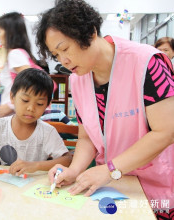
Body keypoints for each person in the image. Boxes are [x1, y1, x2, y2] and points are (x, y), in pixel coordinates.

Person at [35, 0, 174, 218]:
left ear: (90, 33)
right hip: (109, 188)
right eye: (56, 55)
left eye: (64, 49)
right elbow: (87, 138)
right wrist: (74, 170)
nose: (64, 60)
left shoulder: (147, 62)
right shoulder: (79, 80)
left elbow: (166, 131)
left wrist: (110, 169)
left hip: (152, 189)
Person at [0, 68, 72, 174]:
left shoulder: (47, 132)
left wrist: (36, 166)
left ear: (47, 105)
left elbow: (67, 159)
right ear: (12, 97)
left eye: (39, 104)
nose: (31, 108)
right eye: (25, 100)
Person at [0, 12, 39, 118]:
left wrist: (11, 106)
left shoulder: (15, 54)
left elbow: (33, 83)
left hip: (12, 115)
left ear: (10, 32)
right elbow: (12, 85)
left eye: (0, 32)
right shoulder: (18, 53)